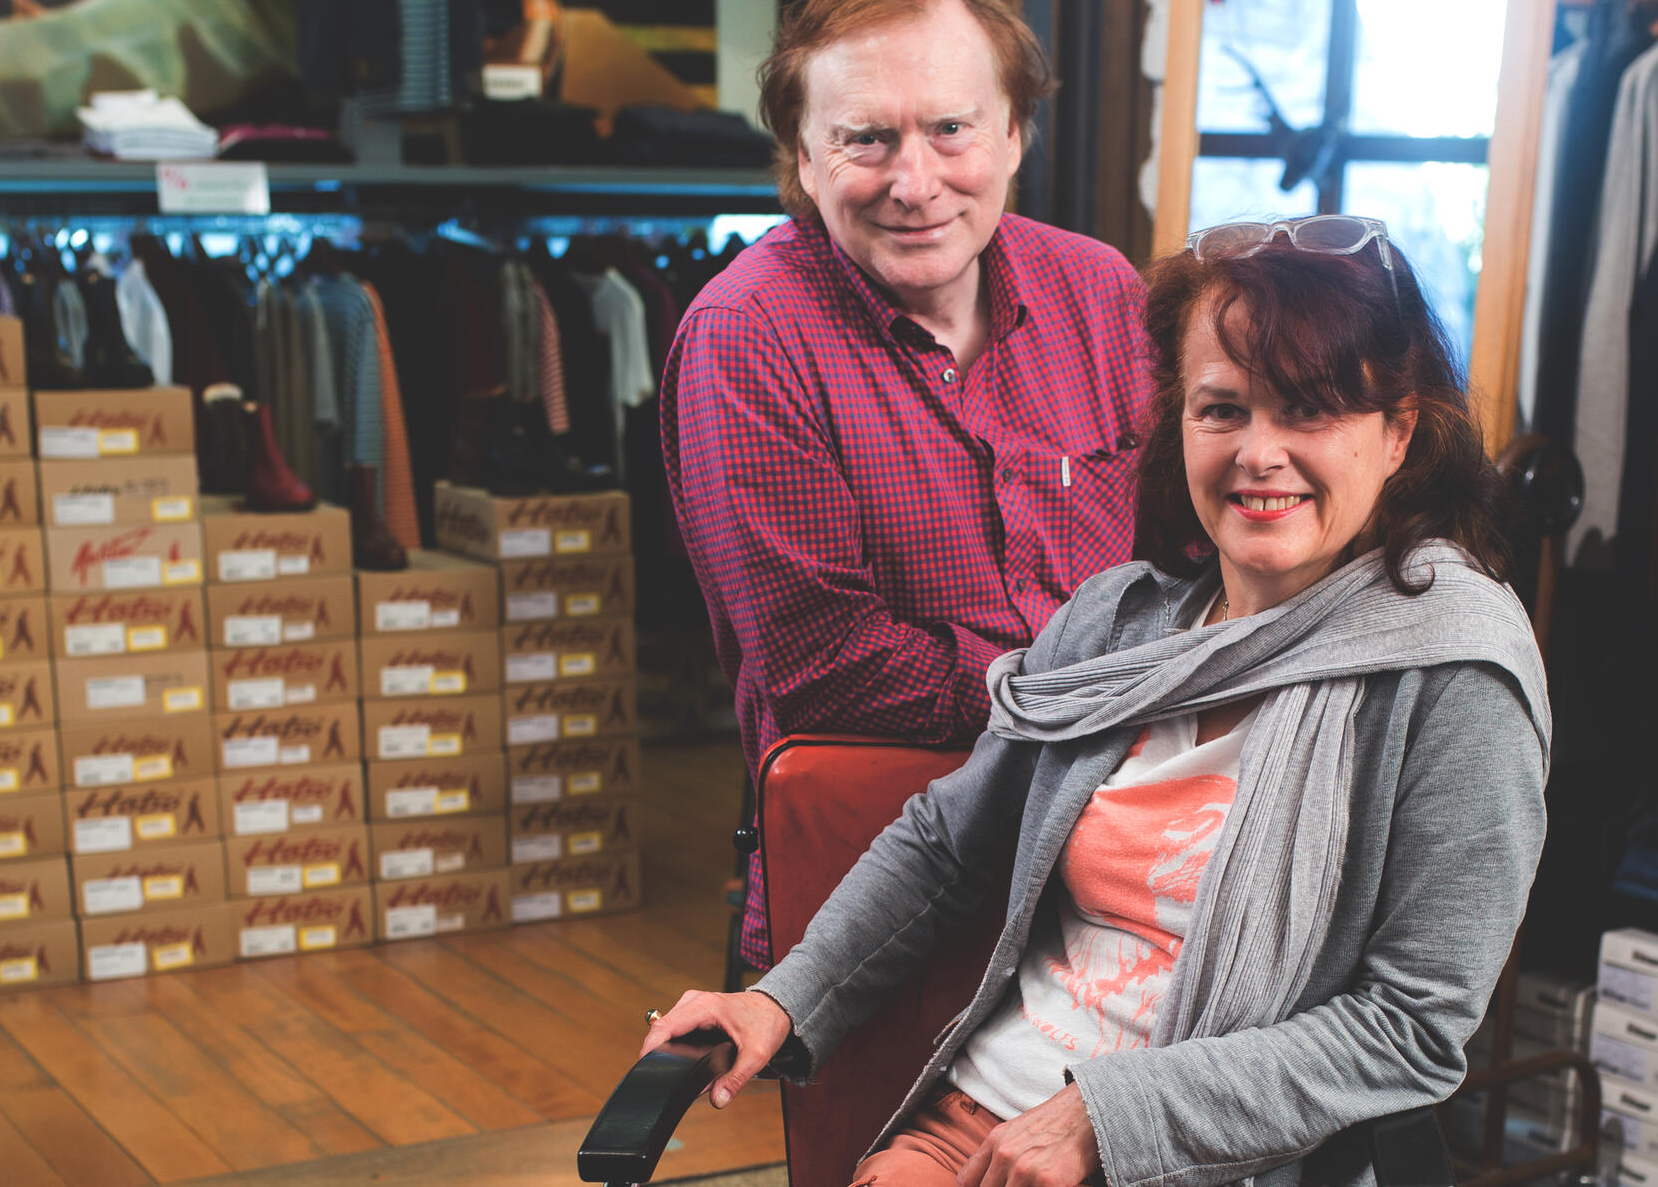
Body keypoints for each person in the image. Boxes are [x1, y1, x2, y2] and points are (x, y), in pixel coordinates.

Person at [645, 216, 1552, 1187]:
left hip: (1199, 1158)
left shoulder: (1451, 670)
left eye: (1310, 411)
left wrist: (1106, 1115)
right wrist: (779, 1002)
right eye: (1221, 409)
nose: (1258, 452)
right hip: (980, 1121)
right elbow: (947, 843)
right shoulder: (1121, 618)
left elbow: (1407, 1030)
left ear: (1398, 433)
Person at [660, 0, 1151, 971]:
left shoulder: (1098, 291)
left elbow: (1176, 564)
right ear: (802, 155)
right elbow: (824, 669)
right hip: (877, 902)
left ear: (1012, 133)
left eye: (948, 130)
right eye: (865, 139)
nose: (913, 181)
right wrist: (1095, 702)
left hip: (1117, 875)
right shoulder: (748, 335)